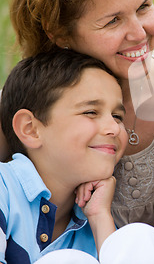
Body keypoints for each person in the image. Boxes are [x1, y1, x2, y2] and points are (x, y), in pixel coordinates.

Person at [3, 0, 154, 228]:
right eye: (113, 21)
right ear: (59, 33)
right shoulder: (26, 107)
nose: (140, 33)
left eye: (144, 7)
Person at [0, 48, 126, 263]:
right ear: (30, 129)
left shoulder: (94, 225)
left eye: (117, 116)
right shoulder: (4, 188)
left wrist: (99, 218)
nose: (113, 128)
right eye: (91, 112)